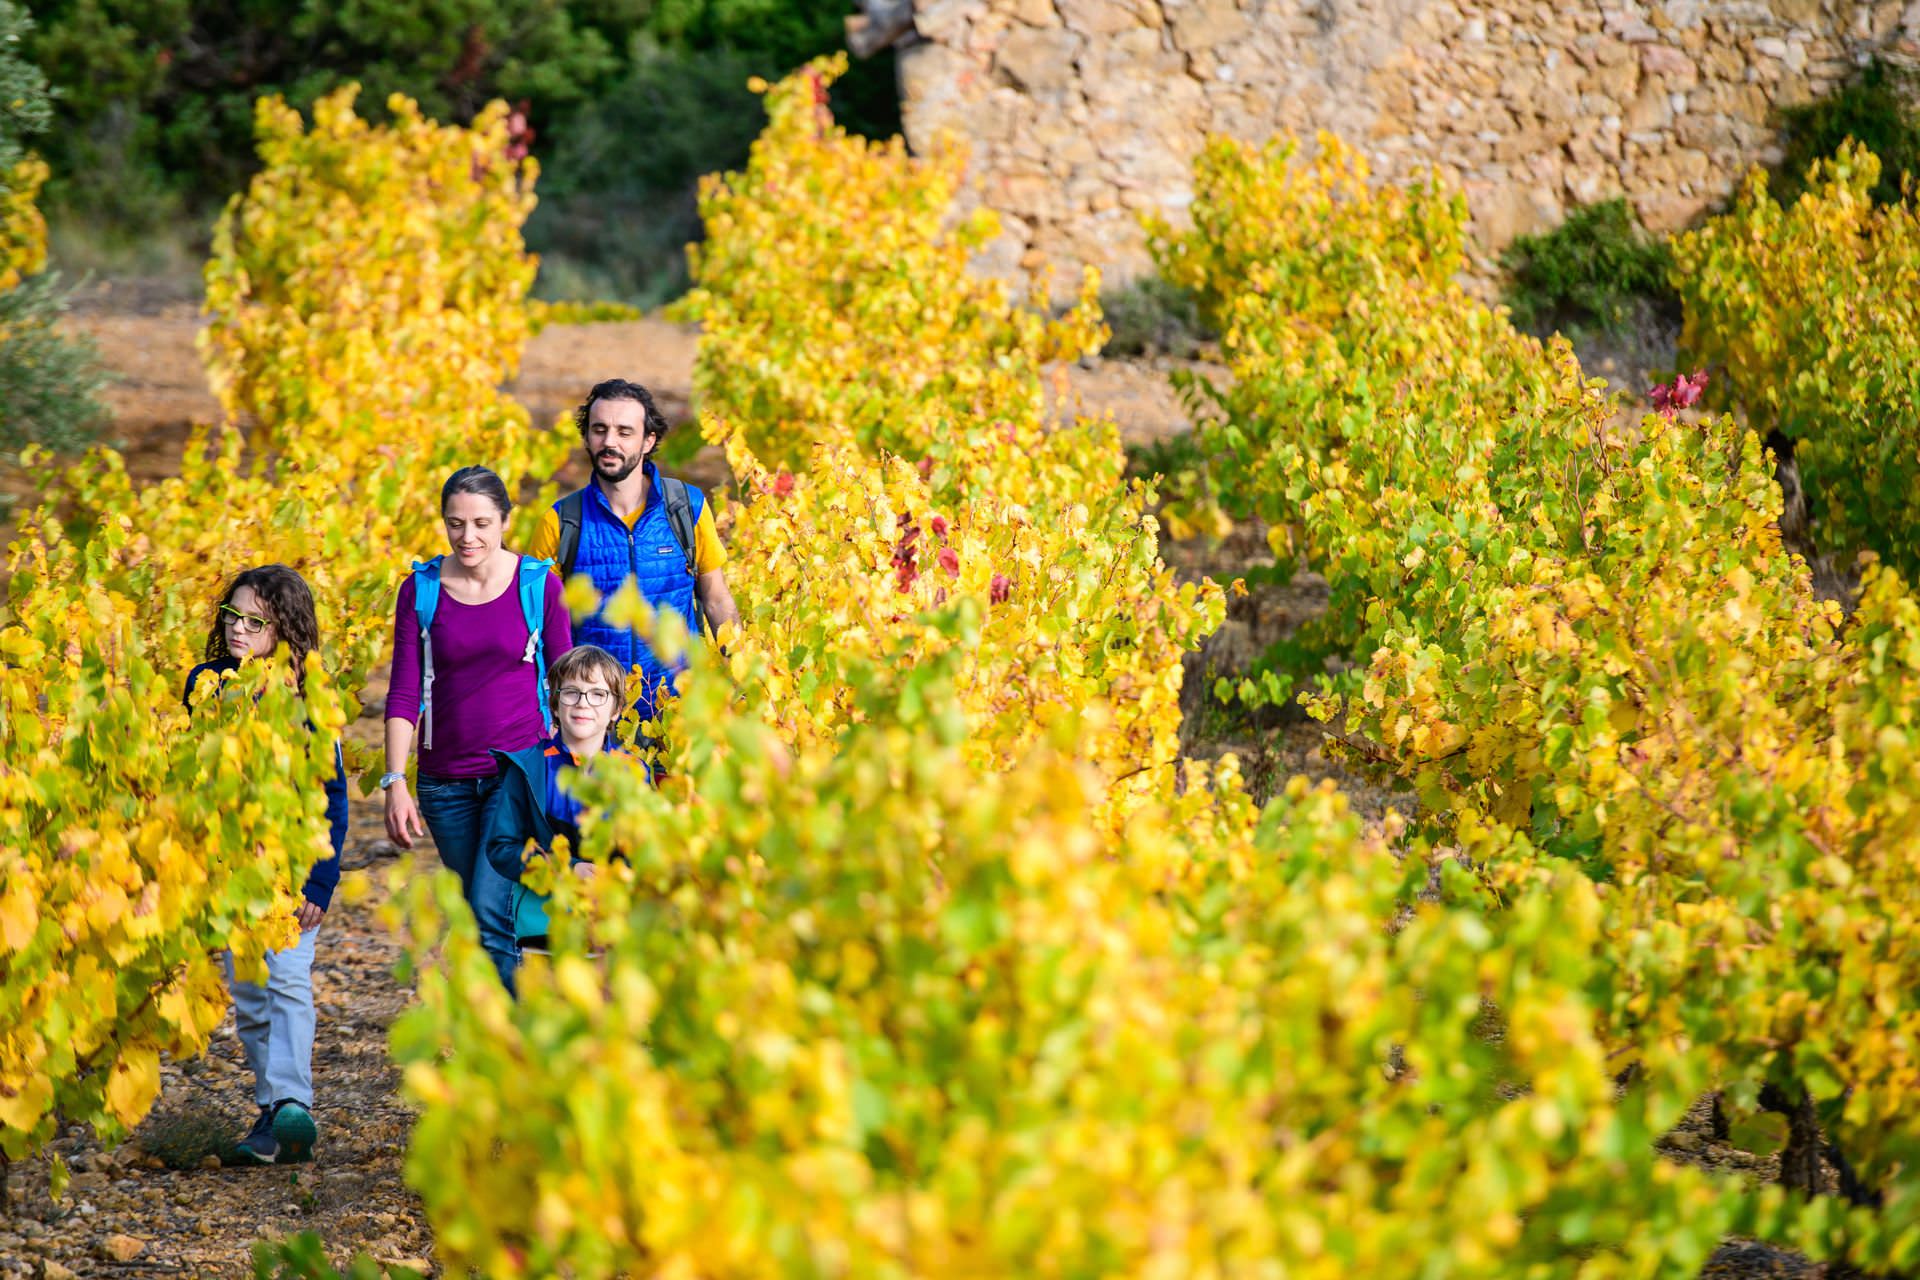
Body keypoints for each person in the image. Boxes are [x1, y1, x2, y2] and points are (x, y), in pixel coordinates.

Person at [382, 466, 572, 991]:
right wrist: (395, 781)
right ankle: (502, 1027)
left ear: (506, 521)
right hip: (445, 784)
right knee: (478, 912)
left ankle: (510, 1051)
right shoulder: (421, 592)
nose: (469, 537)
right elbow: (403, 693)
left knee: (491, 910)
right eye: (456, 524)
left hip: (516, 773)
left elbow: (565, 682)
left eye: (483, 523)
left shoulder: (539, 586)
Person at [183, 564, 345, 1166]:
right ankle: (271, 1109)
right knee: (250, 998)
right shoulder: (205, 685)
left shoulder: (309, 698)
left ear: (286, 631)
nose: (240, 630)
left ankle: (290, 1107)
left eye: (257, 622)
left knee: (288, 983)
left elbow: (332, 799)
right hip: (228, 871)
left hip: (291, 873)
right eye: (233, 617)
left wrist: (320, 884)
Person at [527, 379, 738, 737]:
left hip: (678, 712)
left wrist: (741, 680)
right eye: (600, 430)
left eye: (625, 432)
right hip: (592, 720)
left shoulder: (685, 508)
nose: (610, 442)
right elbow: (532, 626)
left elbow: (716, 598)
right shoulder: (561, 521)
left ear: (648, 440)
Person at [481, 645, 636, 958]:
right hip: (544, 929)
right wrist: (568, 870)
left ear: (616, 709)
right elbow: (501, 848)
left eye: (597, 694)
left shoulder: (631, 773)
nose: (583, 703)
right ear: (555, 703)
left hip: (611, 927)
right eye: (571, 693)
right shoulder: (529, 769)